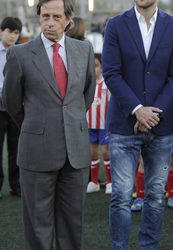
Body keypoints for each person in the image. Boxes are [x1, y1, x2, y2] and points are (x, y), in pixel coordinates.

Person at [2, 0, 96, 249]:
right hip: (36, 151)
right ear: (39, 18)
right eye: (45, 16)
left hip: (75, 153)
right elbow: (12, 102)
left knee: (72, 225)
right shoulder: (19, 54)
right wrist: (38, 125)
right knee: (38, 227)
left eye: (56, 17)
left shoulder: (84, 50)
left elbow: (85, 96)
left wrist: (68, 122)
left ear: (68, 19)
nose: (50, 23)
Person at [102, 0, 173, 248]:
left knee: (155, 196)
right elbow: (111, 72)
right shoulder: (116, 24)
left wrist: (153, 114)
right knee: (120, 196)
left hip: (161, 126)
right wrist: (138, 110)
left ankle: (148, 247)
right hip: (124, 123)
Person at [0, 17, 22, 200]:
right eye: (9, 32)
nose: (12, 36)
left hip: (14, 109)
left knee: (16, 149)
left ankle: (16, 185)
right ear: (1, 31)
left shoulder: (19, 52)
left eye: (16, 33)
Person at [86, 53, 112, 194]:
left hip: (104, 126)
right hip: (90, 125)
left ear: (102, 68)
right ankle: (94, 182)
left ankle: (110, 182)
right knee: (93, 153)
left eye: (95, 66)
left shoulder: (106, 84)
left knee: (106, 153)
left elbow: (112, 104)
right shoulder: (86, 83)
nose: (93, 68)